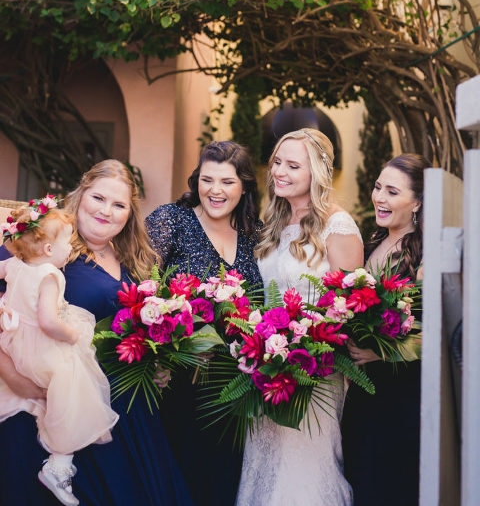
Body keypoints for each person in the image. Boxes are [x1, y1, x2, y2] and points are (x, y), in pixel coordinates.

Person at [0, 160, 194, 506]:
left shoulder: (136, 258)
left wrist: (156, 360)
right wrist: (12, 375)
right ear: (81, 193)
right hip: (50, 400)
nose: (106, 211)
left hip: (125, 409)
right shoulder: (45, 241)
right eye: (98, 198)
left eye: (119, 205)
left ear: (129, 213)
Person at [236, 128, 363, 506]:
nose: (279, 172)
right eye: (277, 162)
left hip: (314, 372)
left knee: (306, 471)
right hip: (267, 368)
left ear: (316, 173)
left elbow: (350, 307)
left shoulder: (337, 225)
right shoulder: (273, 223)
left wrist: (303, 344)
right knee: (265, 468)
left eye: (293, 166)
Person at [146, 140, 263, 506]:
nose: (215, 190)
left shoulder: (255, 234)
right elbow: (141, 288)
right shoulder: (171, 220)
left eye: (227, 182)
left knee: (221, 484)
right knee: (174, 483)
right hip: (175, 379)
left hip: (233, 390)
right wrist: (157, 358)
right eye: (207, 179)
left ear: (244, 186)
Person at [0, 199, 118, 506]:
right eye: (68, 243)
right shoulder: (50, 275)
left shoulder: (15, 265)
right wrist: (71, 335)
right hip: (41, 348)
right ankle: (59, 464)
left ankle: (48, 435)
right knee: (76, 388)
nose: (71, 249)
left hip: (14, 343)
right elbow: (48, 322)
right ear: (49, 249)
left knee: (51, 395)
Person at [341, 153, 429, 506]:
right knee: (359, 476)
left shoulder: (425, 258)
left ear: (417, 202)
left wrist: (382, 351)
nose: (379, 197)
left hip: (401, 395)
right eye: (378, 187)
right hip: (363, 393)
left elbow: (436, 333)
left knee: (389, 485)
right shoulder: (370, 244)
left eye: (392, 192)